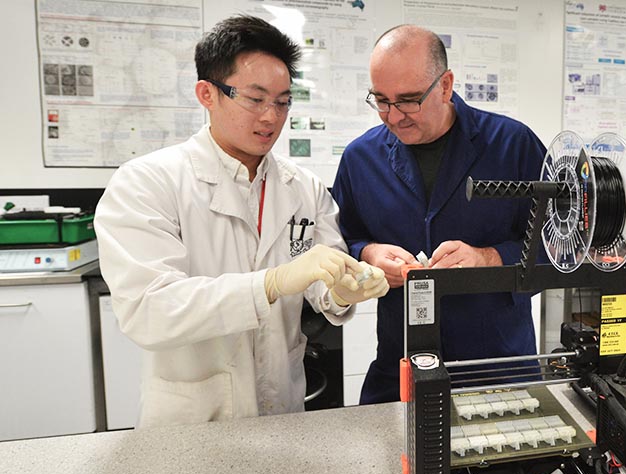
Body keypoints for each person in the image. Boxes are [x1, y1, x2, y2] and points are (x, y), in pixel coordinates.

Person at [95, 15, 388, 427]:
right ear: (207, 94)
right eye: (255, 99)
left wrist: (343, 289)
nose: (272, 117)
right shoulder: (147, 182)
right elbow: (150, 310)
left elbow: (322, 278)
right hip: (192, 420)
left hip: (284, 410)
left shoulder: (302, 187)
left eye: (283, 101)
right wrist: (267, 284)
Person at [331, 25, 546, 404]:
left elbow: (560, 250)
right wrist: (368, 254)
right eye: (381, 100)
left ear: (445, 86)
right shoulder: (360, 159)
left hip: (499, 368)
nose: (394, 117)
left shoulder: (513, 145)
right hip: (402, 367)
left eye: (409, 100)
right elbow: (341, 241)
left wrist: (490, 258)